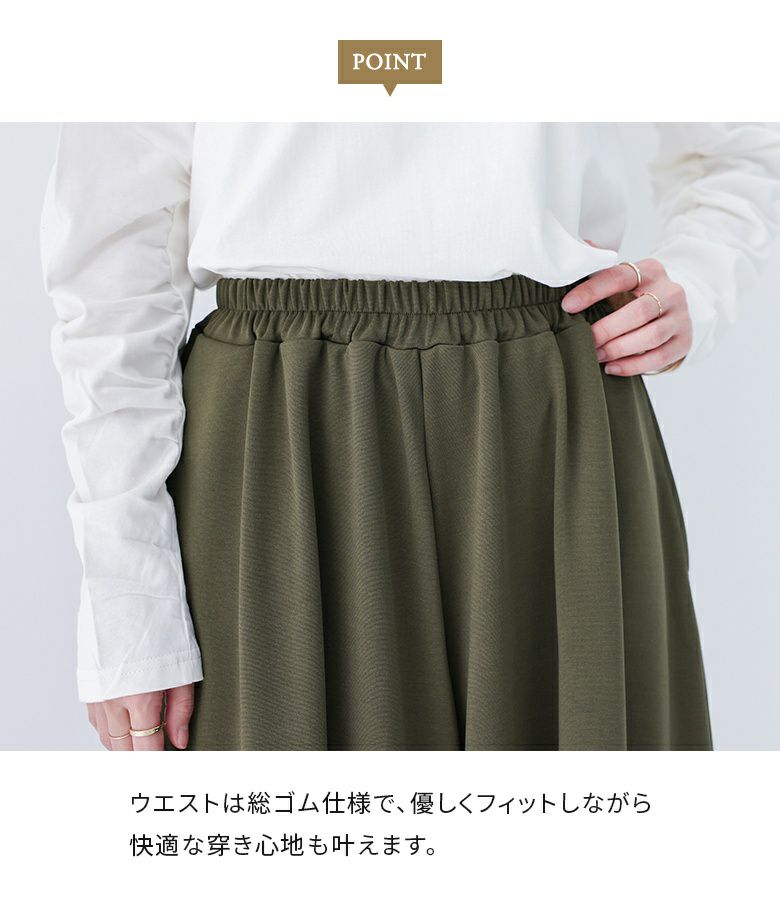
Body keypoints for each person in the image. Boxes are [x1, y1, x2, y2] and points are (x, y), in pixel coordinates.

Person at [40, 123, 780, 751]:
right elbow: (113, 280)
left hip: (549, 420)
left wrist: (700, 277)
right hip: (277, 436)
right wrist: (127, 595)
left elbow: (744, 138)